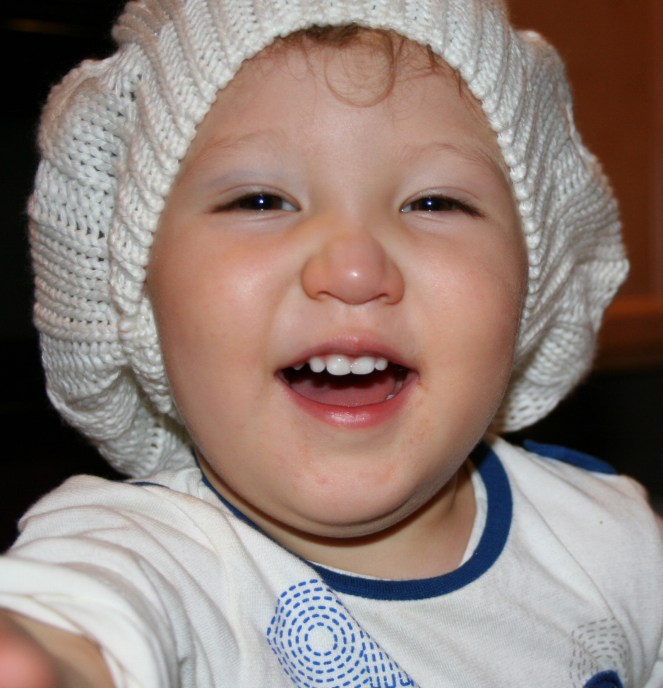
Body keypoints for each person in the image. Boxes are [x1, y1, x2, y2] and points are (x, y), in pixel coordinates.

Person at [0, 0, 661, 685]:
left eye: (434, 203)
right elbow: (68, 625)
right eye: (260, 201)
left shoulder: (612, 548)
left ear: (534, 283)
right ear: (141, 290)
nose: (353, 270)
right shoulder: (148, 562)